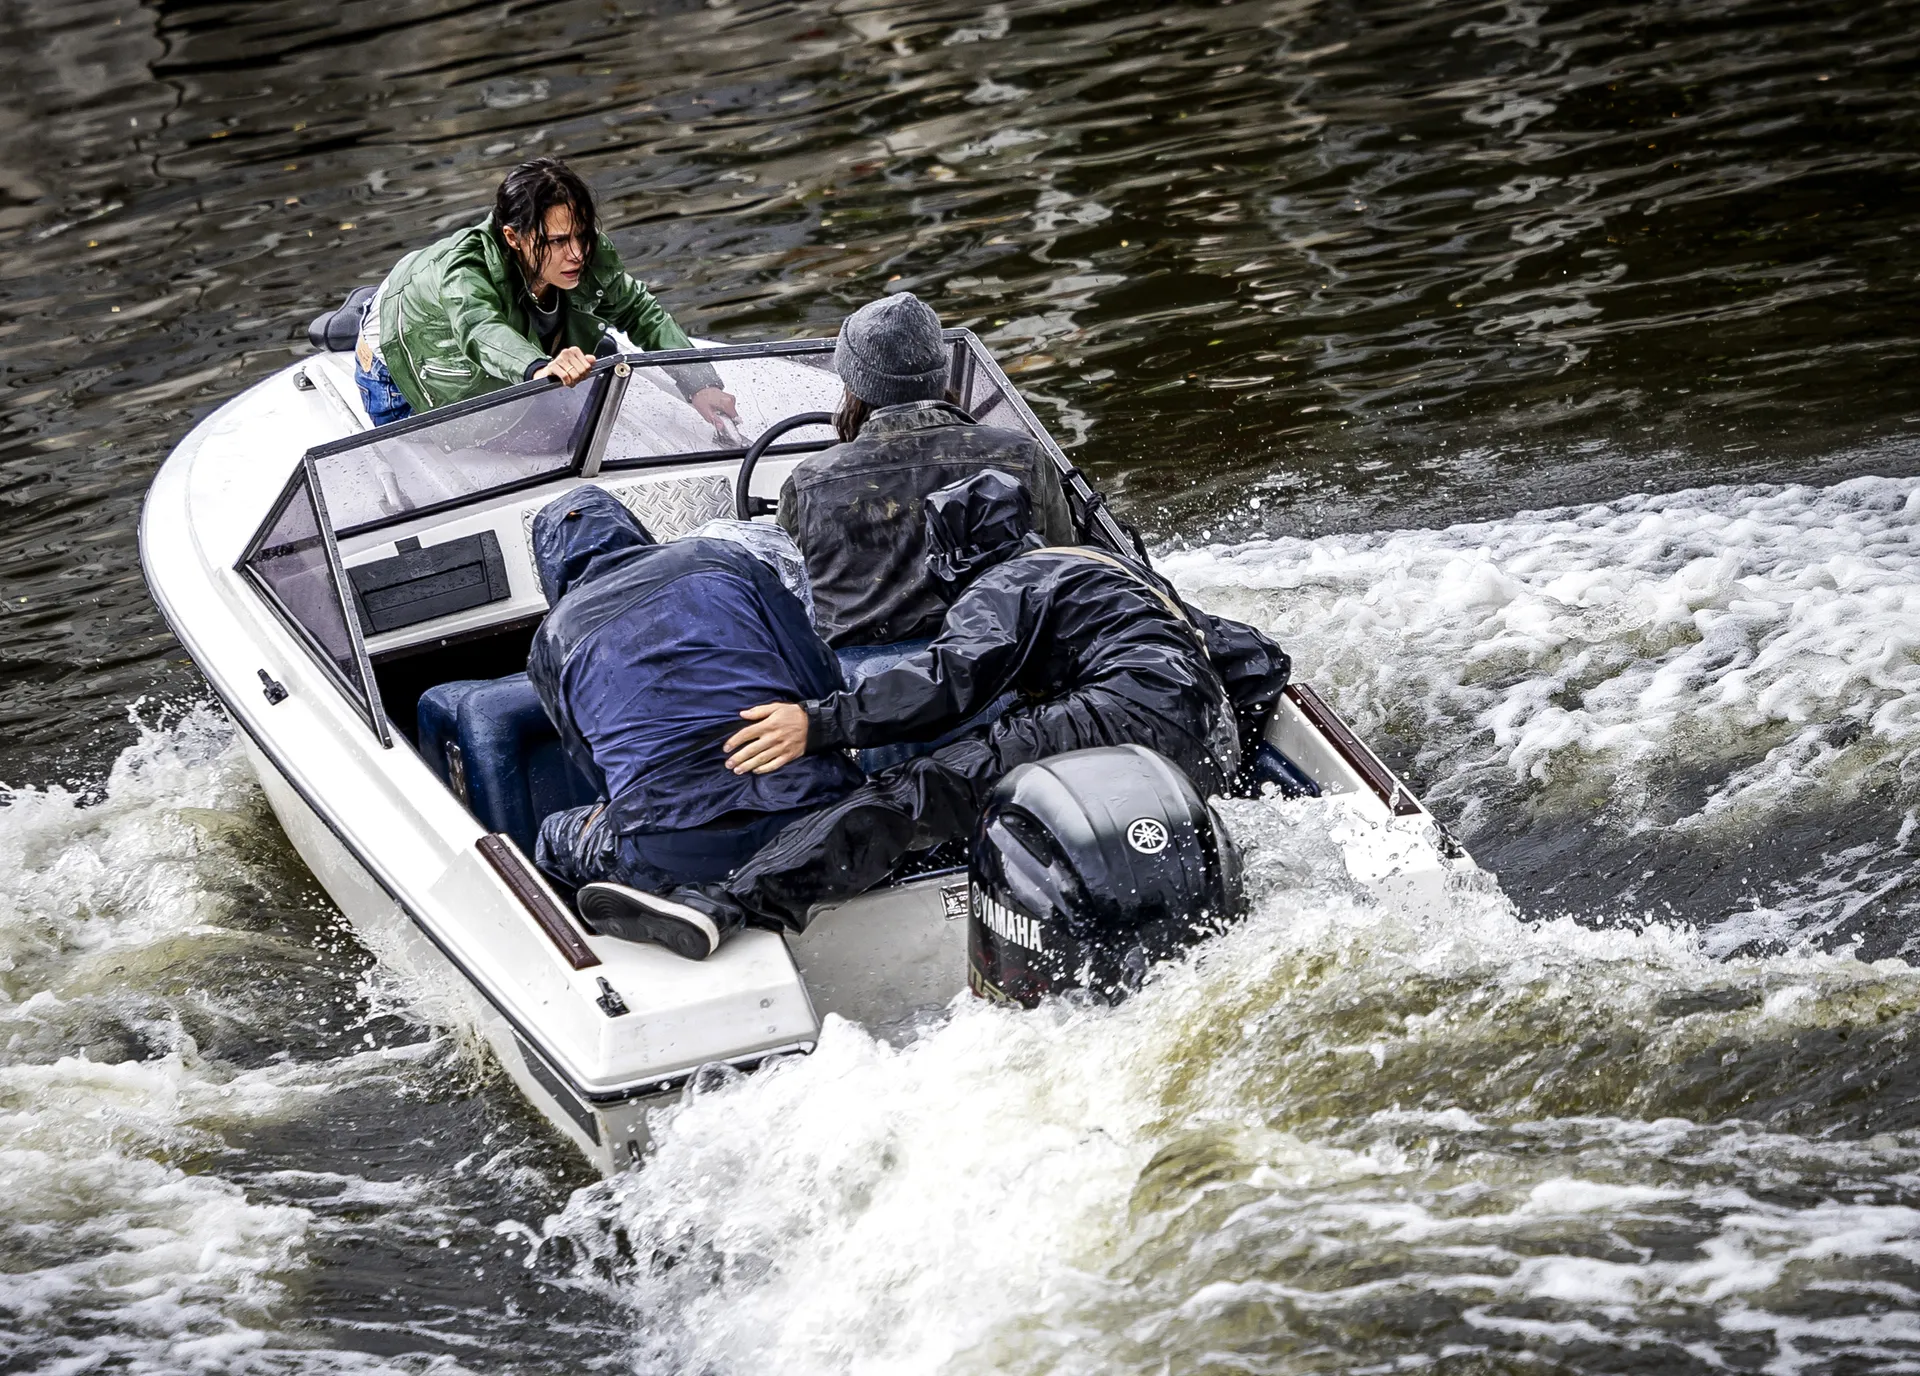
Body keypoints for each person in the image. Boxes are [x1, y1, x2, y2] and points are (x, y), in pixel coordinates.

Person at [575, 470, 1292, 959]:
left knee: (913, 794)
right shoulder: (1108, 568)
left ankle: (727, 903)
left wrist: (819, 723)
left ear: (955, 559)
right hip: (1203, 744)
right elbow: (1259, 661)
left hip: (1114, 718)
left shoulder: (1006, 582)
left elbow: (947, 682)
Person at [524, 487, 862, 942]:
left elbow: (598, 776)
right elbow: (822, 680)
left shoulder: (551, 639)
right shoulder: (721, 557)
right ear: (635, 531)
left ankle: (626, 948)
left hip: (671, 852)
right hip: (816, 815)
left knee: (554, 836)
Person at [775, 291, 1076, 649]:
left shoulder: (807, 481)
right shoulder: (1021, 454)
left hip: (859, 675)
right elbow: (1066, 564)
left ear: (855, 387)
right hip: (997, 659)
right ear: (940, 370)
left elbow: (788, 601)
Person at [355, 157, 737, 432]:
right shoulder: (465, 273)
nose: (577, 254)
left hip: (494, 320)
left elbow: (637, 310)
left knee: (600, 360)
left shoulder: (584, 250)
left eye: (581, 235)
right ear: (512, 237)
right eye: (556, 241)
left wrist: (700, 383)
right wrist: (539, 367)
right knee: (561, 432)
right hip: (399, 375)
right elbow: (480, 329)